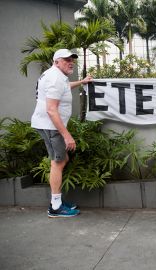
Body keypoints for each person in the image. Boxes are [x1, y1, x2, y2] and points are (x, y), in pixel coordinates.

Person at [31, 49, 93, 218]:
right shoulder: (55, 78)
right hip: (51, 126)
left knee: (60, 159)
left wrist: (82, 81)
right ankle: (56, 206)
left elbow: (64, 88)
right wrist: (67, 136)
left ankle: (56, 202)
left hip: (48, 125)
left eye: (72, 59)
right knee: (58, 162)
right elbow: (51, 110)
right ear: (56, 61)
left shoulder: (54, 75)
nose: (70, 62)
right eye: (66, 59)